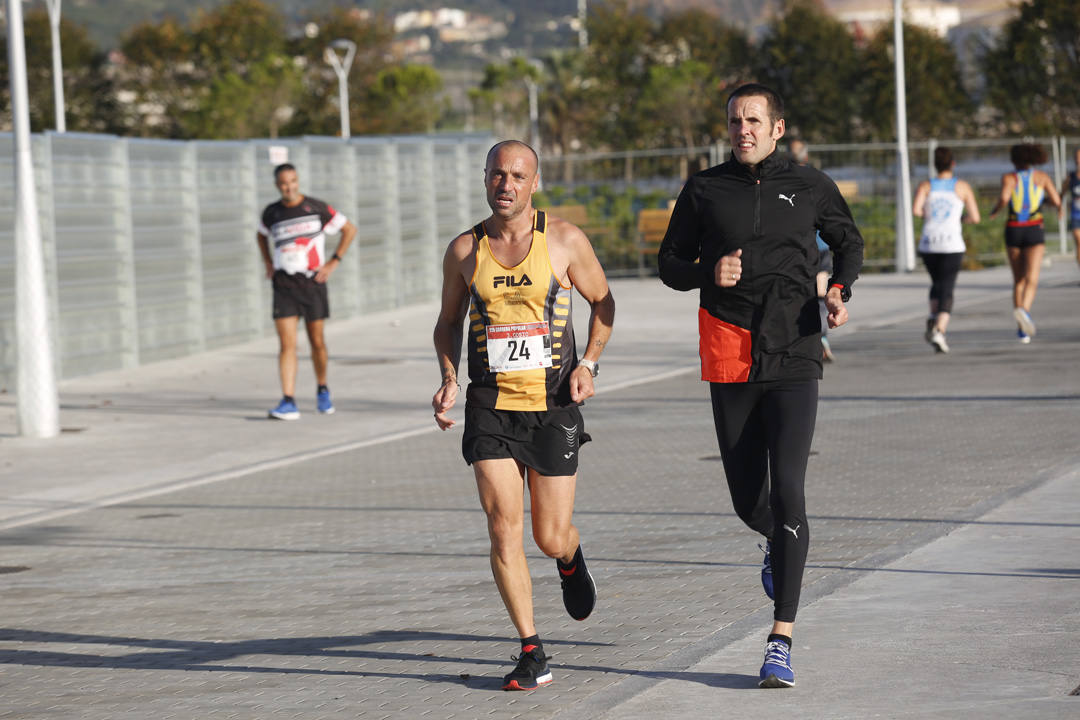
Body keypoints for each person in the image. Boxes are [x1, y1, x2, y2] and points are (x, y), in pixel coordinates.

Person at [658, 83, 863, 688]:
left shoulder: (810, 185)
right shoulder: (704, 189)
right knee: (751, 500)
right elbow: (669, 263)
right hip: (730, 354)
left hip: (796, 351)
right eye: (734, 121)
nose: (742, 129)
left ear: (776, 127)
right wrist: (706, 273)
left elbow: (848, 242)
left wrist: (838, 289)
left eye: (753, 120)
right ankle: (774, 539)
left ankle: (781, 638)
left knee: (791, 489)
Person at [431, 140, 615, 691]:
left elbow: (603, 304)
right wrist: (448, 377)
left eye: (516, 175)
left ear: (534, 182)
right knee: (501, 527)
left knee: (548, 535)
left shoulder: (562, 240)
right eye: (496, 175)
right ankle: (532, 648)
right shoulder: (465, 250)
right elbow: (446, 322)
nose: (505, 184)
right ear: (484, 179)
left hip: (553, 406)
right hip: (491, 408)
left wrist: (589, 363)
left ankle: (570, 557)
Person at [257, 163, 357, 419]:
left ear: (297, 181)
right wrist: (268, 261)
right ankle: (288, 400)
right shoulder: (272, 212)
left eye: (292, 181)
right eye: (283, 183)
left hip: (313, 285)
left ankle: (322, 389)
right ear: (277, 185)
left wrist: (334, 261)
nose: (288, 187)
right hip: (284, 286)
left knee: (317, 342)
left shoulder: (316, 208)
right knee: (287, 345)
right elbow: (260, 235)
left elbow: (349, 229)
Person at [911, 146, 981, 353]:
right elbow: (975, 217)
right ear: (953, 164)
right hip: (952, 242)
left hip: (929, 241)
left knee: (936, 283)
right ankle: (939, 331)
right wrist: (960, 219)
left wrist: (930, 216)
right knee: (947, 287)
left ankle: (933, 319)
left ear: (935, 165)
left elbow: (916, 210)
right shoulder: (962, 187)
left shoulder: (926, 185)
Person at [988, 144, 1061, 344]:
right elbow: (1055, 200)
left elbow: (1004, 198)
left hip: (1013, 228)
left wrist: (995, 210)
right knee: (1032, 279)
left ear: (1014, 160)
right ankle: (1024, 312)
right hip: (1034, 228)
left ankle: (1022, 326)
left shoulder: (1009, 178)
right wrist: (1051, 205)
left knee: (1018, 279)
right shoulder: (1042, 178)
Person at [789, 139, 835, 362]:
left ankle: (809, 338)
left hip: (796, 250)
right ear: (806, 158)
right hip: (820, 249)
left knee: (797, 296)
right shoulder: (818, 182)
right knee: (818, 295)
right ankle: (820, 337)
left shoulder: (780, 183)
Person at [1060, 148, 1080, 271]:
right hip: (1076, 215)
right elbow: (1061, 194)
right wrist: (1059, 208)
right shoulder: (1070, 177)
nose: (1078, 159)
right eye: (1076, 157)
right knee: (1079, 242)